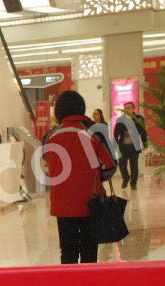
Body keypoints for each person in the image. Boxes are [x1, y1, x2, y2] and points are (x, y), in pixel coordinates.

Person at [43, 91, 116, 264]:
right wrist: (92, 175)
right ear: (81, 108)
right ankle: (88, 281)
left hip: (62, 203)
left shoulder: (50, 136)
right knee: (89, 250)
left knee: (67, 251)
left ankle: (68, 281)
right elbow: (110, 166)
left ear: (59, 110)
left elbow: (47, 166)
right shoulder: (93, 132)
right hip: (91, 202)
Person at [113, 101, 148, 191]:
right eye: (126, 108)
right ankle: (126, 178)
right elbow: (116, 133)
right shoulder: (120, 119)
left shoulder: (138, 118)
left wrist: (145, 142)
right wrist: (114, 144)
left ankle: (133, 184)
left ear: (133, 109)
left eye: (129, 107)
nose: (127, 109)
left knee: (134, 166)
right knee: (122, 164)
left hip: (134, 146)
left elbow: (143, 131)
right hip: (123, 146)